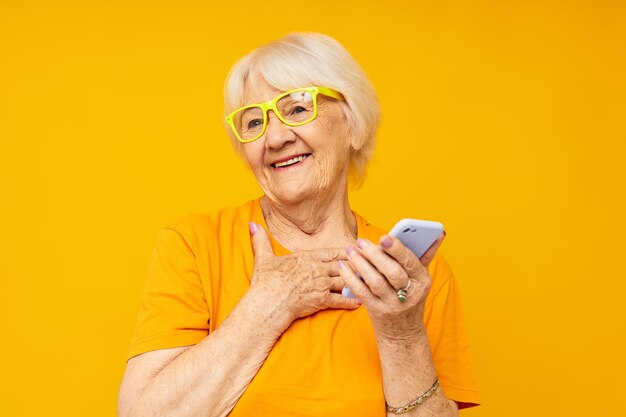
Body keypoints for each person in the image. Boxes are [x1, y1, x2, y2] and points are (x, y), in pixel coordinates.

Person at [118, 32, 480, 417]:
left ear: (353, 124)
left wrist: (400, 332)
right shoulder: (194, 244)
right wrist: (268, 305)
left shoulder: (409, 276)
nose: (274, 137)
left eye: (296, 109)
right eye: (254, 121)